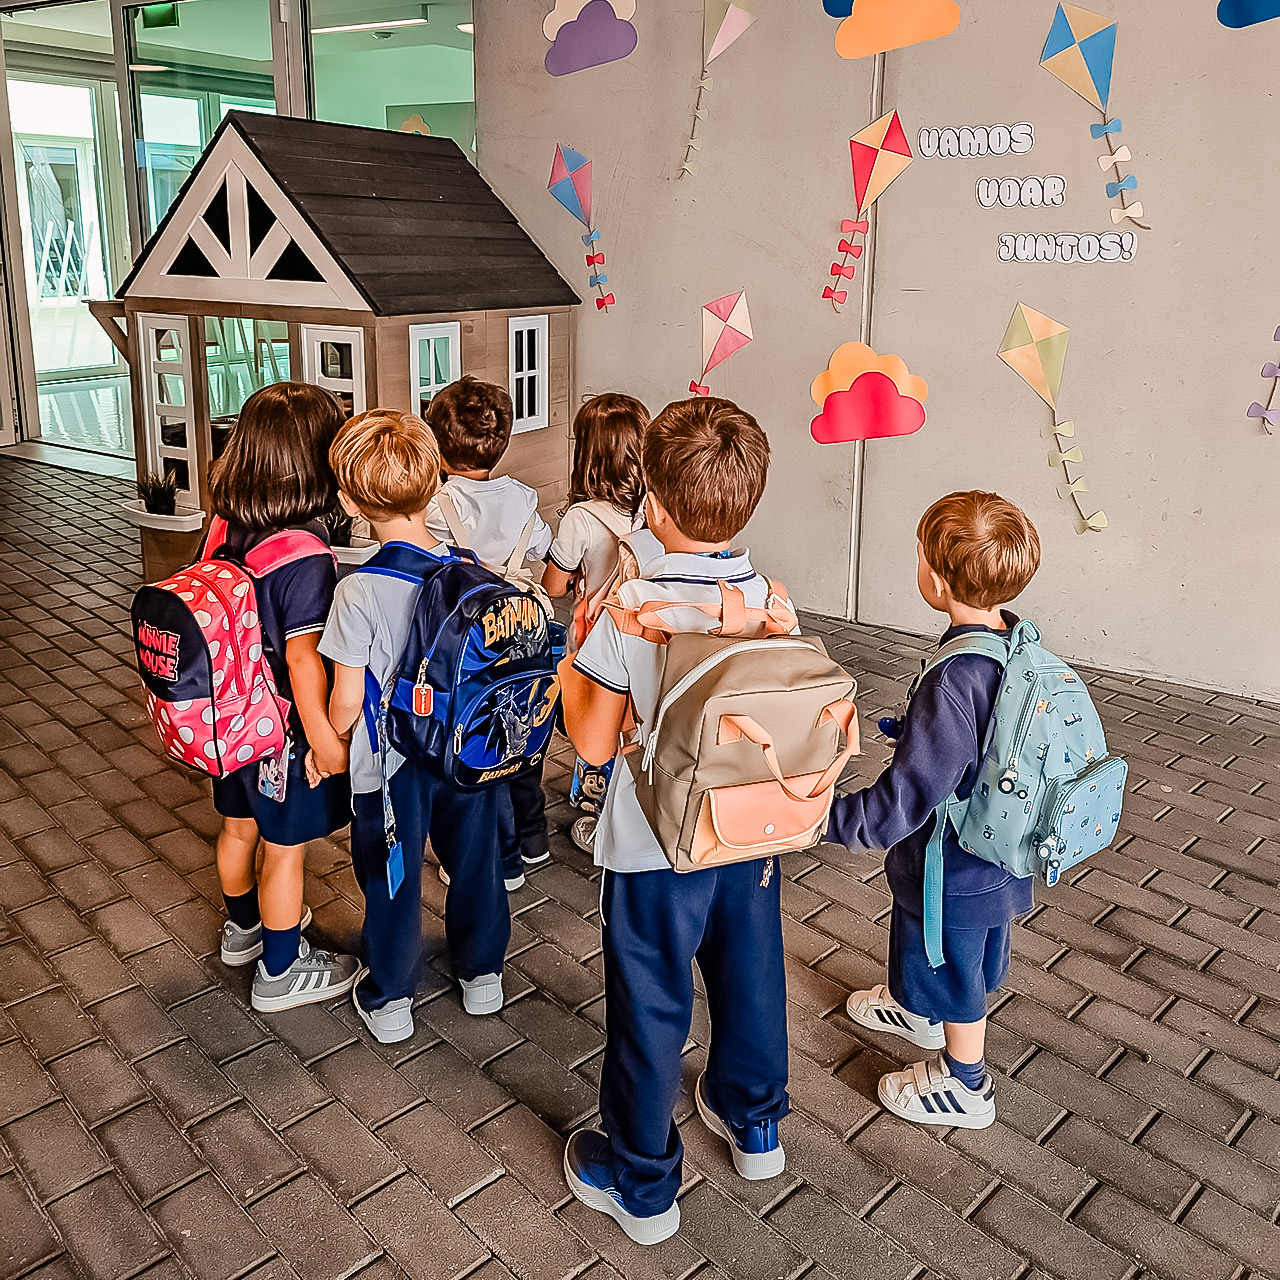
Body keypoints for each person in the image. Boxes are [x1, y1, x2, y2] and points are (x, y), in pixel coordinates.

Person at [557, 397, 790, 1246]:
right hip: (749, 832)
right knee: (751, 979)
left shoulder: (634, 607)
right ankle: (753, 1124)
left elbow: (591, 742)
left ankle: (642, 1182)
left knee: (651, 1004)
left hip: (655, 846)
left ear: (651, 501)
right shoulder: (768, 597)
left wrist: (575, 659)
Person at [827, 490, 1041, 1130]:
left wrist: (830, 819)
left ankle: (965, 1083)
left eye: (920, 554)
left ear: (940, 581)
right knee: (949, 954)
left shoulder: (953, 678)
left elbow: (907, 798)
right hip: (999, 849)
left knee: (955, 970)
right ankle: (916, 1009)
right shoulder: (1012, 643)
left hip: (953, 866)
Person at [319, 408, 512, 1042]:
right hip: (468, 747)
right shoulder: (469, 566)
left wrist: (330, 741)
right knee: (477, 861)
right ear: (434, 486)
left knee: (392, 875)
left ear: (350, 502)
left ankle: (391, 996)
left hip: (393, 761)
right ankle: (482, 975)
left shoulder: (357, 590)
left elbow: (347, 699)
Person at [208, 382, 358, 1013]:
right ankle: (280, 968)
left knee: (237, 829)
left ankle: (242, 928)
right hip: (278, 732)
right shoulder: (305, 556)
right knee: (284, 850)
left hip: (228, 720)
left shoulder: (225, 523)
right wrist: (326, 741)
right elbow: (302, 660)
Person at [425, 376, 553, 882]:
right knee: (523, 726)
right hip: (526, 631)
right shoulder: (523, 497)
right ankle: (533, 837)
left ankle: (502, 860)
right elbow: (541, 546)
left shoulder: (439, 506)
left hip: (471, 641)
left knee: (481, 738)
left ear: (437, 445)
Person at [541, 393, 649, 854]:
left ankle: (597, 816)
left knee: (594, 717)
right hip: (643, 630)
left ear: (586, 453)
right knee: (632, 718)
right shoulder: (655, 507)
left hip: (594, 638)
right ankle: (637, 800)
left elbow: (553, 585)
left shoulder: (581, 518)